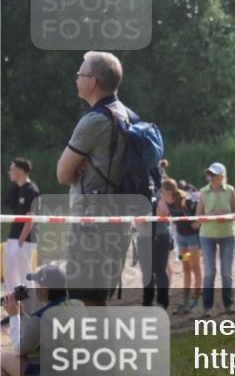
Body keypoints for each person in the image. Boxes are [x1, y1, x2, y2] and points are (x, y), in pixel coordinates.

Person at [55, 51, 140, 304]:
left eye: (80, 74)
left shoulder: (94, 120)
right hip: (119, 219)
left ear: (92, 82)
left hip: (91, 223)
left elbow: (62, 174)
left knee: (84, 299)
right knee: (98, 298)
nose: (76, 79)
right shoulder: (128, 115)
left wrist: (79, 163)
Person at [1, 262, 84, 376]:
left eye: (37, 283)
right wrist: (22, 315)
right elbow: (35, 335)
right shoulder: (77, 305)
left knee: (3, 359)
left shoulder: (41, 317)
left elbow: (20, 349)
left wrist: (13, 316)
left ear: (44, 288)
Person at [196, 162, 235, 316]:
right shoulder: (203, 192)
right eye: (209, 174)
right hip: (207, 236)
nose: (211, 177)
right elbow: (198, 217)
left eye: (214, 175)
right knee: (209, 272)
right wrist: (212, 216)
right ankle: (207, 307)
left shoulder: (230, 191)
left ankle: (229, 304)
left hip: (227, 234)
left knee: (226, 272)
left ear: (222, 177)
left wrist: (225, 217)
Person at [163, 178, 202, 314]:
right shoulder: (167, 202)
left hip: (193, 239)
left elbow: (200, 208)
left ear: (168, 191)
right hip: (181, 239)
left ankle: (196, 301)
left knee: (195, 268)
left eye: (162, 191)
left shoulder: (185, 201)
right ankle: (185, 301)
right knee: (186, 268)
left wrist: (198, 222)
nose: (161, 194)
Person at [2, 158, 39, 292]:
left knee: (24, 274)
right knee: (10, 273)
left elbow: (31, 219)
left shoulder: (32, 191)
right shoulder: (16, 189)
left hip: (25, 240)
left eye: (11, 169)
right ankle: (15, 305)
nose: (9, 172)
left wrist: (20, 242)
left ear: (20, 171)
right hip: (13, 238)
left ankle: (29, 307)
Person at [134, 189, 172, 310]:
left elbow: (164, 213)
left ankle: (162, 301)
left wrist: (159, 197)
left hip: (161, 237)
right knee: (146, 272)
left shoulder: (160, 195)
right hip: (144, 238)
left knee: (160, 270)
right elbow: (138, 223)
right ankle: (147, 301)